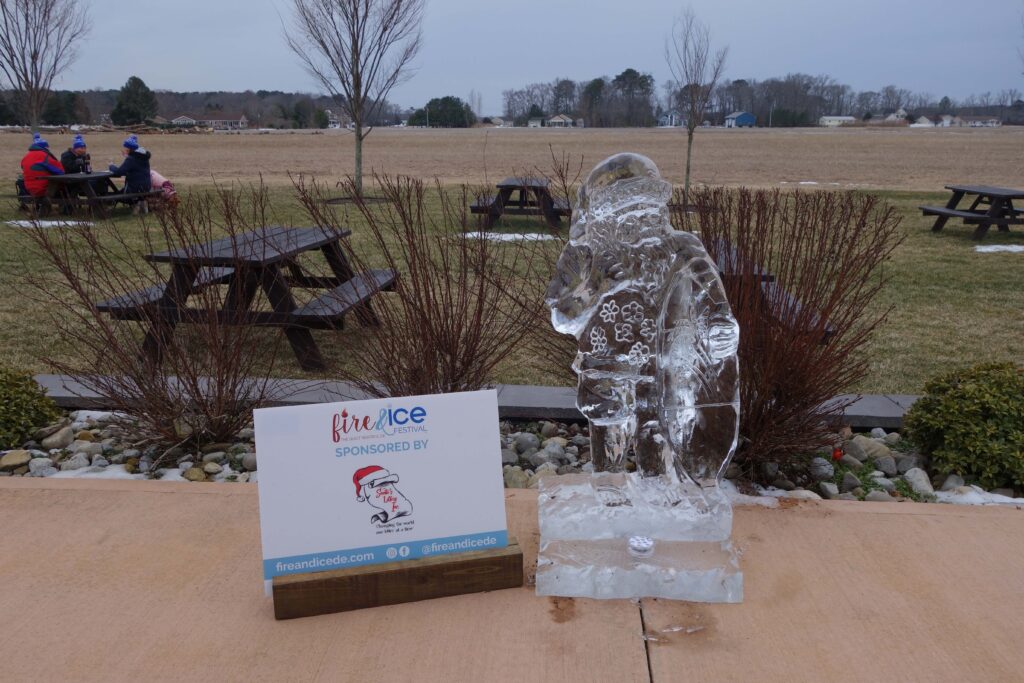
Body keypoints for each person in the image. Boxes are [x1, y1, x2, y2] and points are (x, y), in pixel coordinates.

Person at [108, 134, 152, 211]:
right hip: (146, 187)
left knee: (118, 194)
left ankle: (135, 204)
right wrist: (127, 157)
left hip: (135, 188)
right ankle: (141, 205)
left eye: (125, 147)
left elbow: (119, 172)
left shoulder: (131, 159)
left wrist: (111, 166)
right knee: (121, 192)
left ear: (129, 149)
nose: (124, 149)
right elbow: (136, 169)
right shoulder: (143, 157)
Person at [19, 133, 65, 205]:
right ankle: (67, 208)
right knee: (66, 186)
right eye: (47, 147)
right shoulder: (45, 156)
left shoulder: (25, 157)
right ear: (44, 147)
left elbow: (23, 168)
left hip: (29, 188)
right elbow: (61, 171)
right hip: (43, 189)